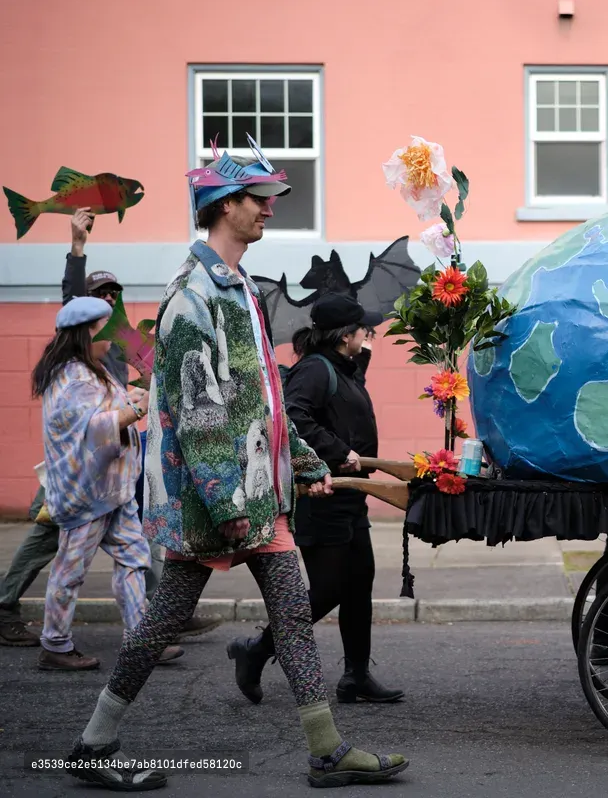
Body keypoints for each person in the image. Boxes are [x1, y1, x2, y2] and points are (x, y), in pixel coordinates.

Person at [62, 142, 408, 791]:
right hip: (218, 503)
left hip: (254, 495)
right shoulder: (193, 297)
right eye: (258, 200)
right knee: (167, 619)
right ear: (223, 207)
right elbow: (198, 417)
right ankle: (93, 743)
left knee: (292, 616)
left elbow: (262, 400)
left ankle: (325, 749)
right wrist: (229, 507)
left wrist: (303, 464)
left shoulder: (236, 286)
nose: (268, 210)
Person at [0, 210, 221, 647]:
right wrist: (77, 249)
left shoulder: (119, 339)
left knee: (133, 546)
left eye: (114, 293)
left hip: (117, 468)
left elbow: (158, 372)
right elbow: (93, 419)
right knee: (54, 541)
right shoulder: (75, 355)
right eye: (102, 294)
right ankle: (14, 608)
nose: (110, 299)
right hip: (79, 471)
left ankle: (157, 618)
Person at [228, 292, 405, 705]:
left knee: (360, 583)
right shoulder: (315, 369)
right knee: (327, 590)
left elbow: (341, 403)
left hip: (350, 495)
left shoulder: (343, 367)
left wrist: (360, 357)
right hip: (322, 496)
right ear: (345, 335)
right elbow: (292, 416)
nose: (369, 333)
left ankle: (356, 676)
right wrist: (338, 451)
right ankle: (255, 651)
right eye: (363, 329)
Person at [31, 297, 184, 670]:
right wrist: (138, 409)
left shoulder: (89, 370)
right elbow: (94, 428)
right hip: (88, 494)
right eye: (104, 331)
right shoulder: (73, 378)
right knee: (70, 569)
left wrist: (130, 398)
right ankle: (55, 645)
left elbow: (104, 409)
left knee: (134, 559)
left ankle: (142, 640)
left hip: (111, 490)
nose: (112, 340)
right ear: (85, 333)